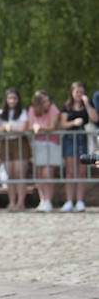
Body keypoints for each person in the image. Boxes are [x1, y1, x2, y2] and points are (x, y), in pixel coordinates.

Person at [59, 81, 98, 212]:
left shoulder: (88, 105)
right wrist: (73, 123)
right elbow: (63, 124)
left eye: (81, 92)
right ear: (72, 92)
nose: (79, 94)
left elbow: (95, 118)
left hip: (82, 139)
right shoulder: (66, 106)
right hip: (70, 138)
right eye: (77, 92)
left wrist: (87, 104)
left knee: (82, 171)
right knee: (70, 171)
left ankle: (80, 200)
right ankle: (69, 200)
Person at [0, 88, 30, 211]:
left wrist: (10, 129)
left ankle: (21, 202)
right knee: (10, 175)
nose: (12, 101)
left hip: (19, 142)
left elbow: (22, 128)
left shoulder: (22, 112)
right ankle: (12, 201)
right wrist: (5, 127)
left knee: (19, 173)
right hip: (6, 143)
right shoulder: (1, 113)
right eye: (10, 98)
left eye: (14, 98)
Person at [28, 90, 61, 212]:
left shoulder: (53, 108)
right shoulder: (32, 110)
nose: (48, 103)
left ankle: (48, 200)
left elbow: (52, 126)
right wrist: (36, 127)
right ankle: (42, 200)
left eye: (48, 100)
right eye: (44, 101)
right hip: (38, 144)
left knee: (48, 173)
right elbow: (30, 126)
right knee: (39, 173)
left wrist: (39, 127)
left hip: (51, 143)